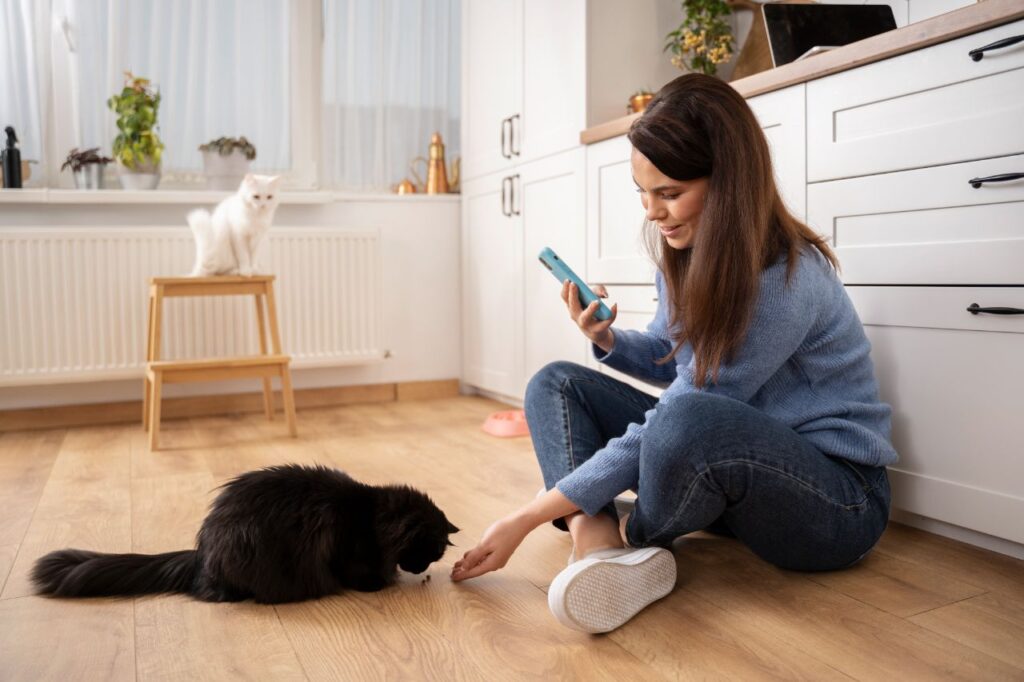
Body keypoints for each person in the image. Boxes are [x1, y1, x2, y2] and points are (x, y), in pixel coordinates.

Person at [450, 73, 896, 634]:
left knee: (687, 417)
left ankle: (626, 538)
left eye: (669, 193)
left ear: (728, 182)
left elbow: (692, 402)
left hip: (835, 504)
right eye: (643, 192)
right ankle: (598, 540)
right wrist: (607, 338)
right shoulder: (688, 254)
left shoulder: (785, 280)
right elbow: (670, 355)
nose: (652, 212)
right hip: (736, 482)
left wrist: (530, 515)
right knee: (557, 383)